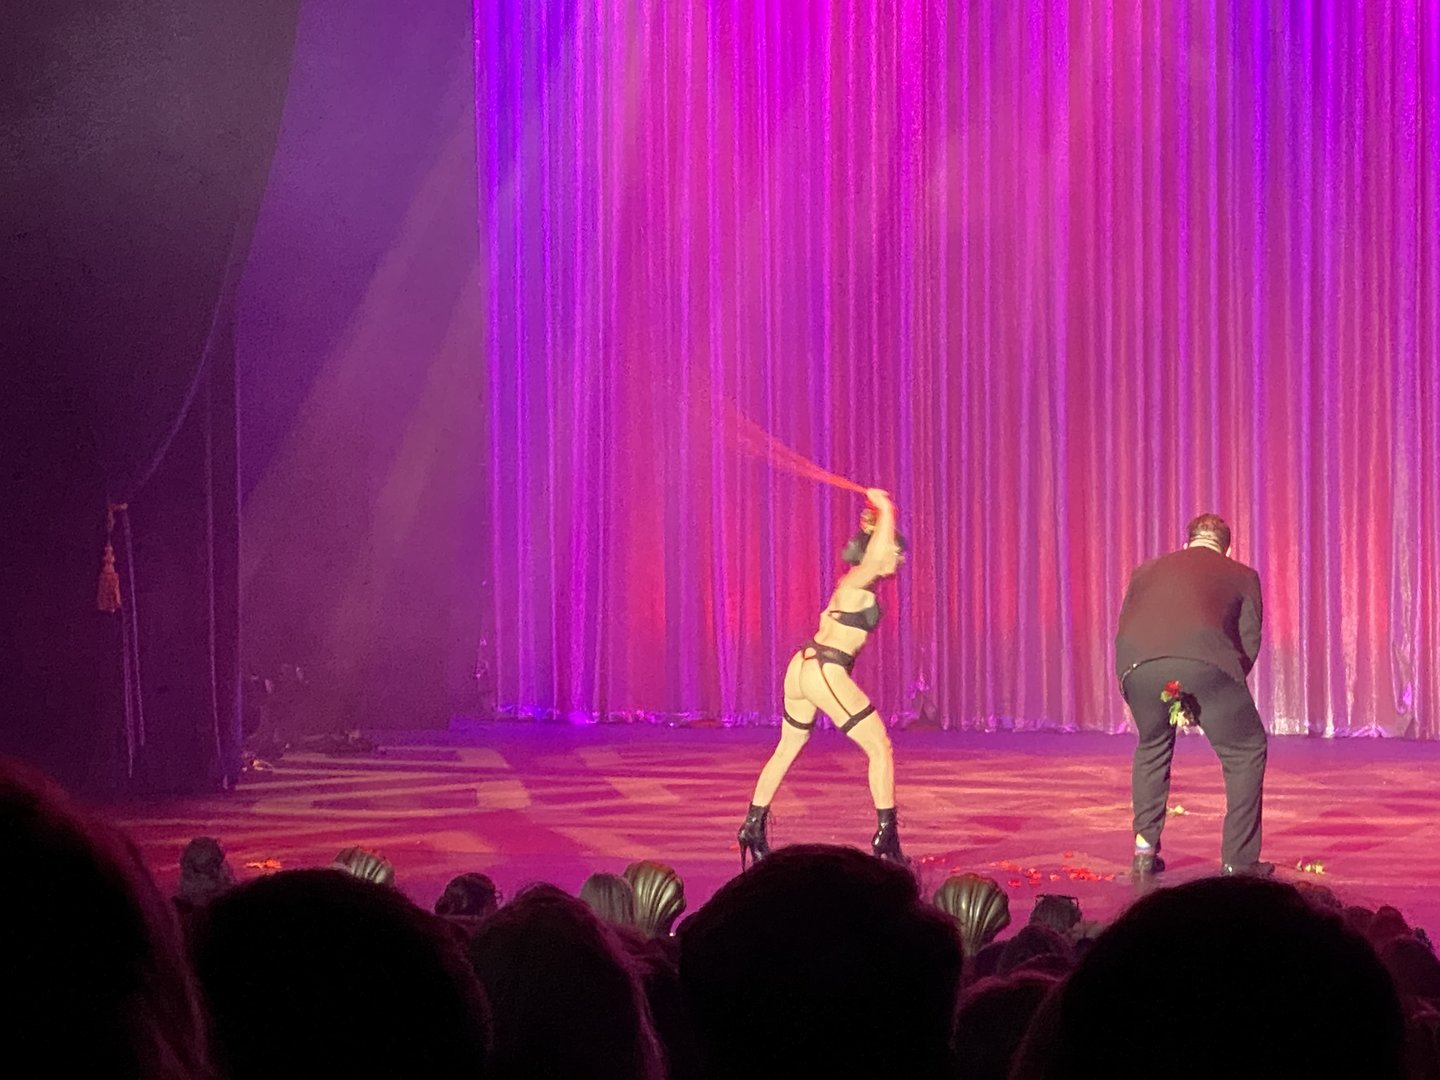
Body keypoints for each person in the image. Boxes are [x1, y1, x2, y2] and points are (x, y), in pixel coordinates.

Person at [736, 488, 908, 866]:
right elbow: (877, 555)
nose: (899, 559)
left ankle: (752, 826)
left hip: (803, 667)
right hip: (823, 669)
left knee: (788, 746)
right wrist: (885, 508)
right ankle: (886, 839)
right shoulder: (858, 579)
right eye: (896, 551)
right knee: (880, 747)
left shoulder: (855, 584)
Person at [1114, 513, 1268, 876]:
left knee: (1151, 747)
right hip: (1207, 661)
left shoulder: (1144, 571)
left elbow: (1127, 624)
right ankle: (1239, 862)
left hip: (1137, 666)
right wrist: (1217, 690)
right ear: (1226, 550)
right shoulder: (1241, 574)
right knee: (1246, 750)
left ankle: (1144, 852)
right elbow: (1249, 641)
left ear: (1186, 543)